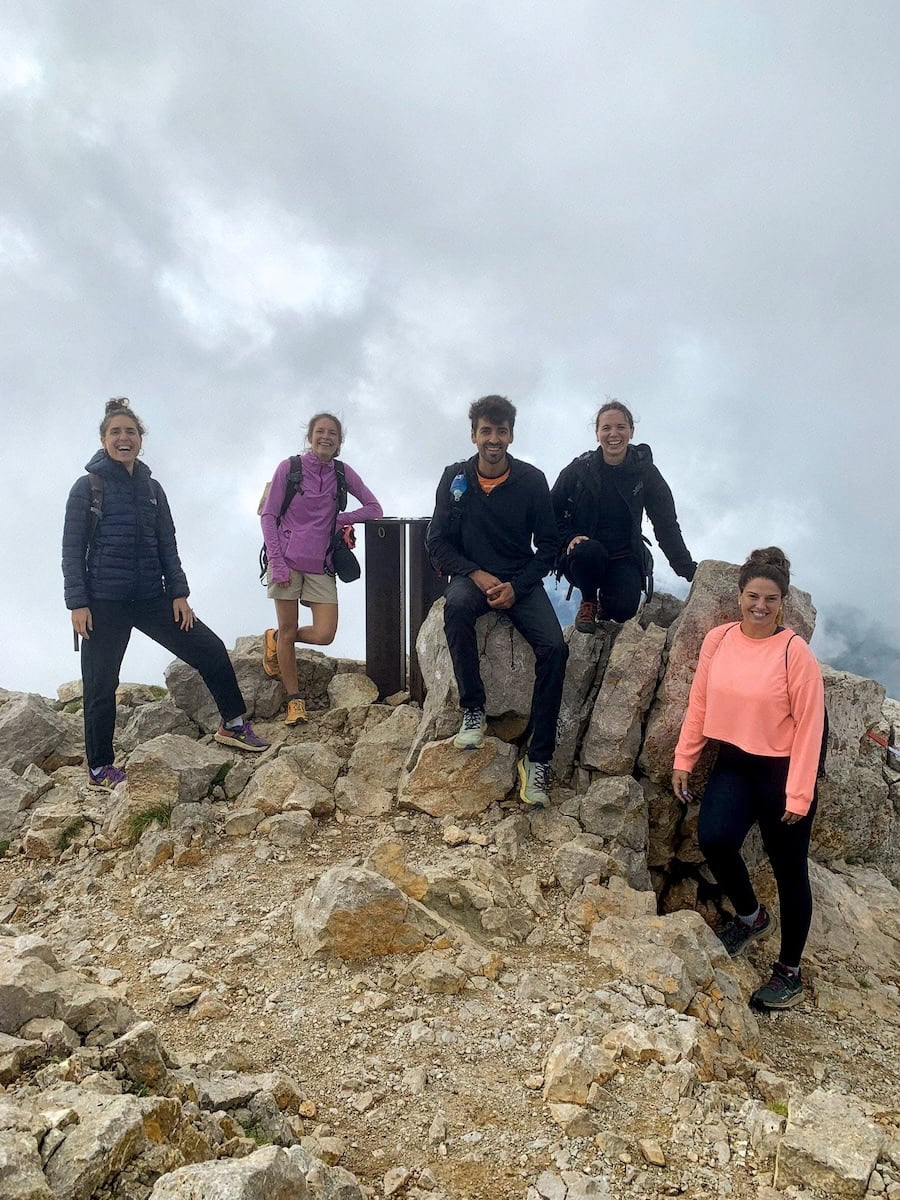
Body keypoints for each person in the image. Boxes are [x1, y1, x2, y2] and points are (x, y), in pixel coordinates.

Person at [63, 399, 269, 788]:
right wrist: (77, 603)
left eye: (131, 432)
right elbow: (72, 549)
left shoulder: (152, 489)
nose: (124, 438)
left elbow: (167, 545)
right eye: (116, 432)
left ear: (141, 439)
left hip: (152, 597)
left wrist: (179, 593)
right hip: (103, 602)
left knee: (209, 648)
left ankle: (234, 724)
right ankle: (100, 768)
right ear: (103, 439)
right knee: (100, 685)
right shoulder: (88, 486)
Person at [671, 547, 826, 1011]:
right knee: (715, 838)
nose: (761, 605)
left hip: (781, 772)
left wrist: (799, 794)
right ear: (739, 596)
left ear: (783, 604)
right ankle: (751, 915)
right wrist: (685, 756)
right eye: (753, 596)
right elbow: (700, 701)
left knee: (789, 873)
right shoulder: (718, 639)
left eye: (771, 599)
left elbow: (810, 728)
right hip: (734, 762)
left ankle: (789, 972)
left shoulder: (794, 653)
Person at [426, 395, 567, 808]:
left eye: (500, 431)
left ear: (511, 435)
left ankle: (537, 759)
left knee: (555, 648)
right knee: (455, 609)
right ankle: (474, 708)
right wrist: (476, 573)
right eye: (485, 431)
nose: (493, 439)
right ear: (474, 435)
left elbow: (548, 546)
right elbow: (436, 543)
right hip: (472, 576)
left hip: (519, 579)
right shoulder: (455, 478)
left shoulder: (531, 480)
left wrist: (516, 587)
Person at [260, 412, 382, 725]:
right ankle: (294, 701)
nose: (326, 437)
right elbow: (268, 516)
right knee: (290, 630)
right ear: (310, 436)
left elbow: (374, 508)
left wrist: (339, 520)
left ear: (339, 442)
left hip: (321, 563)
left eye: (332, 434)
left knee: (325, 633)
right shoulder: (290, 468)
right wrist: (276, 562)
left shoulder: (342, 473)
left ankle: (274, 639)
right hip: (286, 561)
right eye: (320, 432)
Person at [551, 400, 697, 634]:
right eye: (606, 428)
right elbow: (550, 511)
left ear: (631, 431)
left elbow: (666, 524)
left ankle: (607, 604)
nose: (613, 434)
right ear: (597, 433)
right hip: (583, 554)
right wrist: (568, 537)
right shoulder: (579, 468)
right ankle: (588, 601)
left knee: (623, 609)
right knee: (588, 551)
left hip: (624, 553)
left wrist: (687, 568)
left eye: (620, 427)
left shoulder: (645, 472)